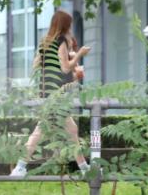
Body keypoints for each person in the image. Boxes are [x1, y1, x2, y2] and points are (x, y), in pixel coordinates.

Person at [10, 9, 92, 178]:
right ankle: (20, 167)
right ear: (64, 25)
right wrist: (79, 56)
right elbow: (65, 68)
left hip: (46, 90)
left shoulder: (44, 42)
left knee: (70, 130)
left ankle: (84, 168)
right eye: (69, 24)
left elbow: (35, 66)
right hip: (57, 92)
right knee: (42, 130)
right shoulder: (61, 40)